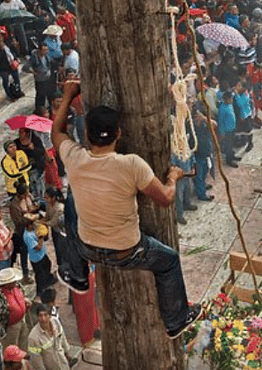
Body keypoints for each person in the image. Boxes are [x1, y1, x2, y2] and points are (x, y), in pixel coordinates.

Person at [51, 79, 203, 339]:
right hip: (128, 252)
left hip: (87, 247)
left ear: (87, 135)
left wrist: (68, 96)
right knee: (168, 261)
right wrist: (173, 177)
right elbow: (165, 198)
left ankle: (76, 272)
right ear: (119, 134)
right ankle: (176, 319)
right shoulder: (131, 164)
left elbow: (57, 133)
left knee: (73, 198)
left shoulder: (74, 157)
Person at [27, 304, 75, 370]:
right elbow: (36, 360)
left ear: (50, 316)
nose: (43, 318)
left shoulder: (56, 322)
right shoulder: (33, 337)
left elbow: (62, 337)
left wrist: (67, 352)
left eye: (45, 315)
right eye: (40, 315)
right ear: (37, 317)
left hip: (62, 363)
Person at [0, 268, 31, 350]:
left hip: (22, 320)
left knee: (24, 341)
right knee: (12, 347)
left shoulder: (17, 286)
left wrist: (25, 301)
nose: (15, 282)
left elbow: (22, 295)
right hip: (11, 327)